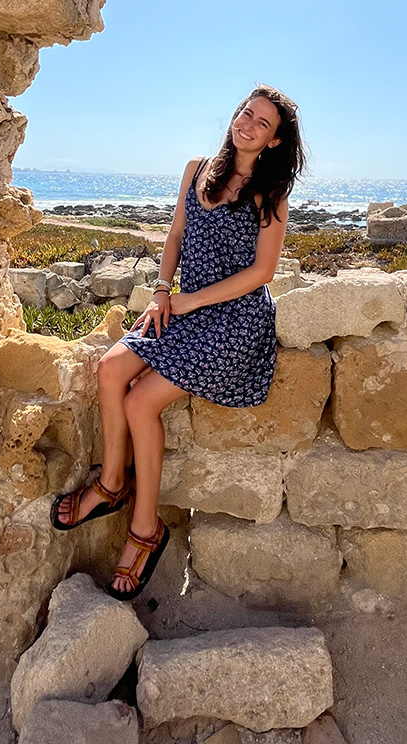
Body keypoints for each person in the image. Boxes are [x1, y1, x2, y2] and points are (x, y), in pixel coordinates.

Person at [50, 84, 306, 599]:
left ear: (275, 141)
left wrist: (189, 302)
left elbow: (262, 273)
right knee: (110, 369)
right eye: (245, 113)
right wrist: (163, 291)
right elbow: (174, 237)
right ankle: (111, 484)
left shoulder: (271, 193)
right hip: (182, 305)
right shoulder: (198, 169)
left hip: (234, 319)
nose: (247, 125)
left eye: (262, 123)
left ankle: (145, 529)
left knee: (141, 401)